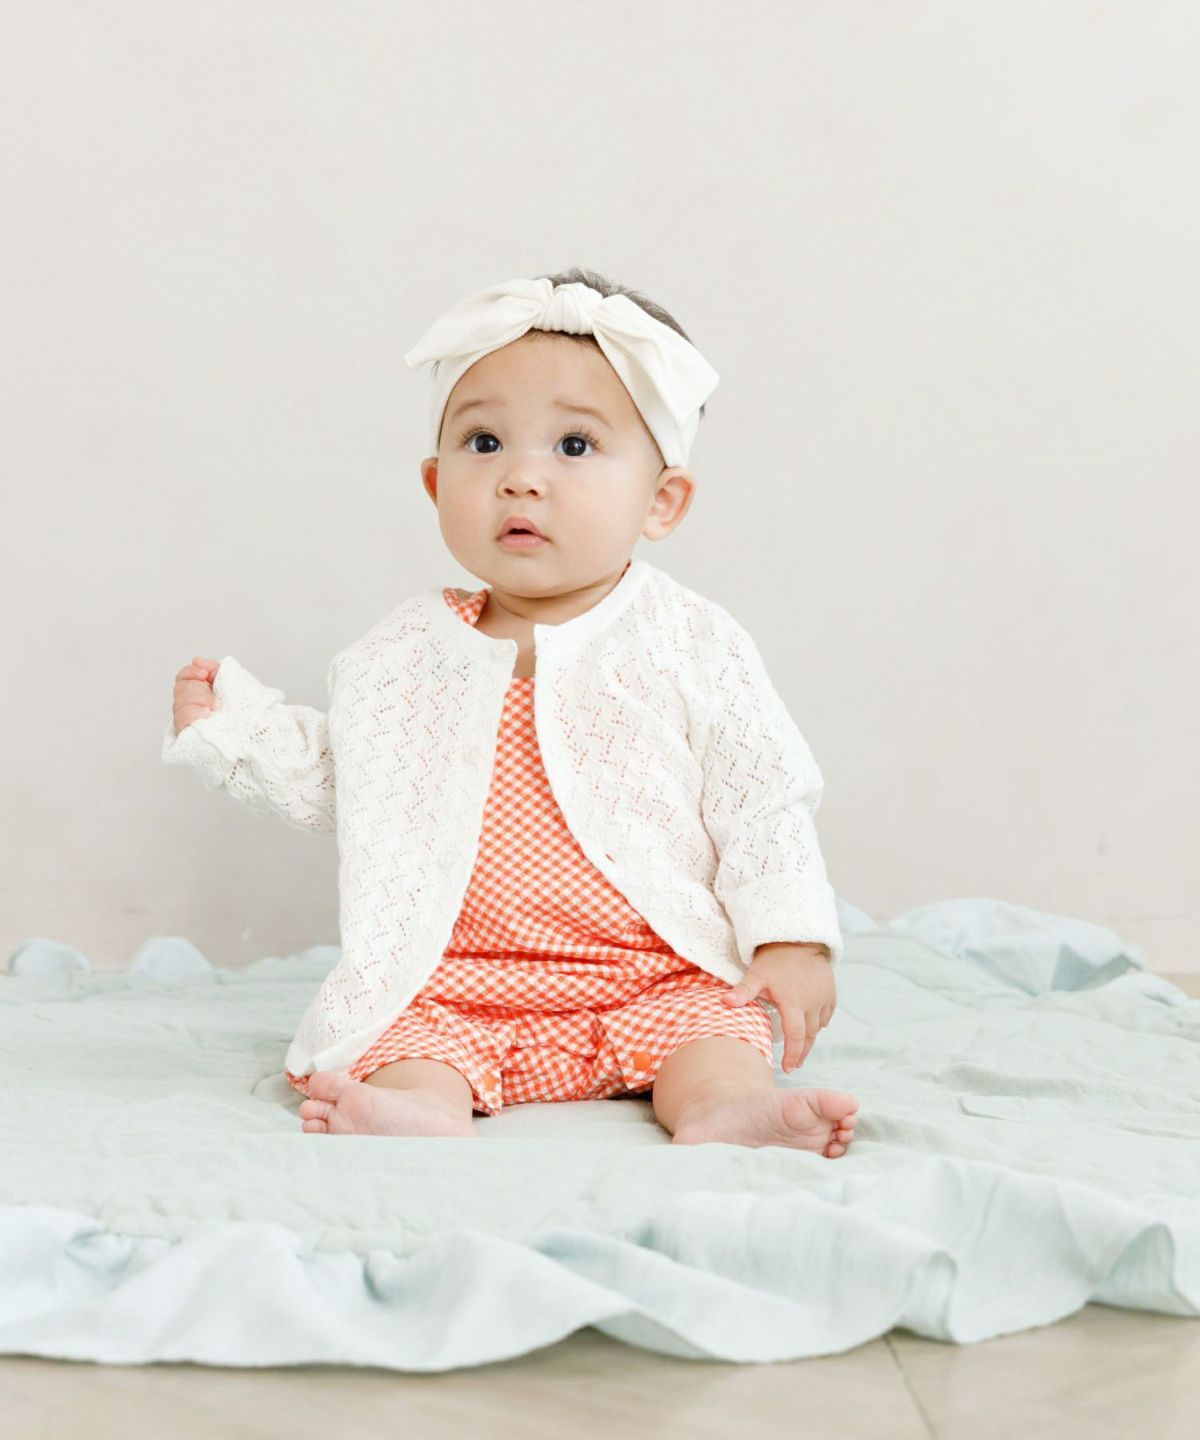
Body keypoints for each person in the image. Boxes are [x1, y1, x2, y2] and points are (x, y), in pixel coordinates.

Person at [164, 268, 859, 1156]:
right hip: (456, 981)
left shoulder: (689, 640)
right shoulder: (404, 652)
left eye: (575, 446)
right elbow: (357, 784)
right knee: (404, 1038)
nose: (520, 478)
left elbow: (761, 797)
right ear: (434, 483)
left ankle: (722, 1108)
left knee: (717, 1033)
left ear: (662, 501)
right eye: (484, 442)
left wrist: (792, 937)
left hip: (650, 974)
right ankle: (422, 1107)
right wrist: (239, 734)